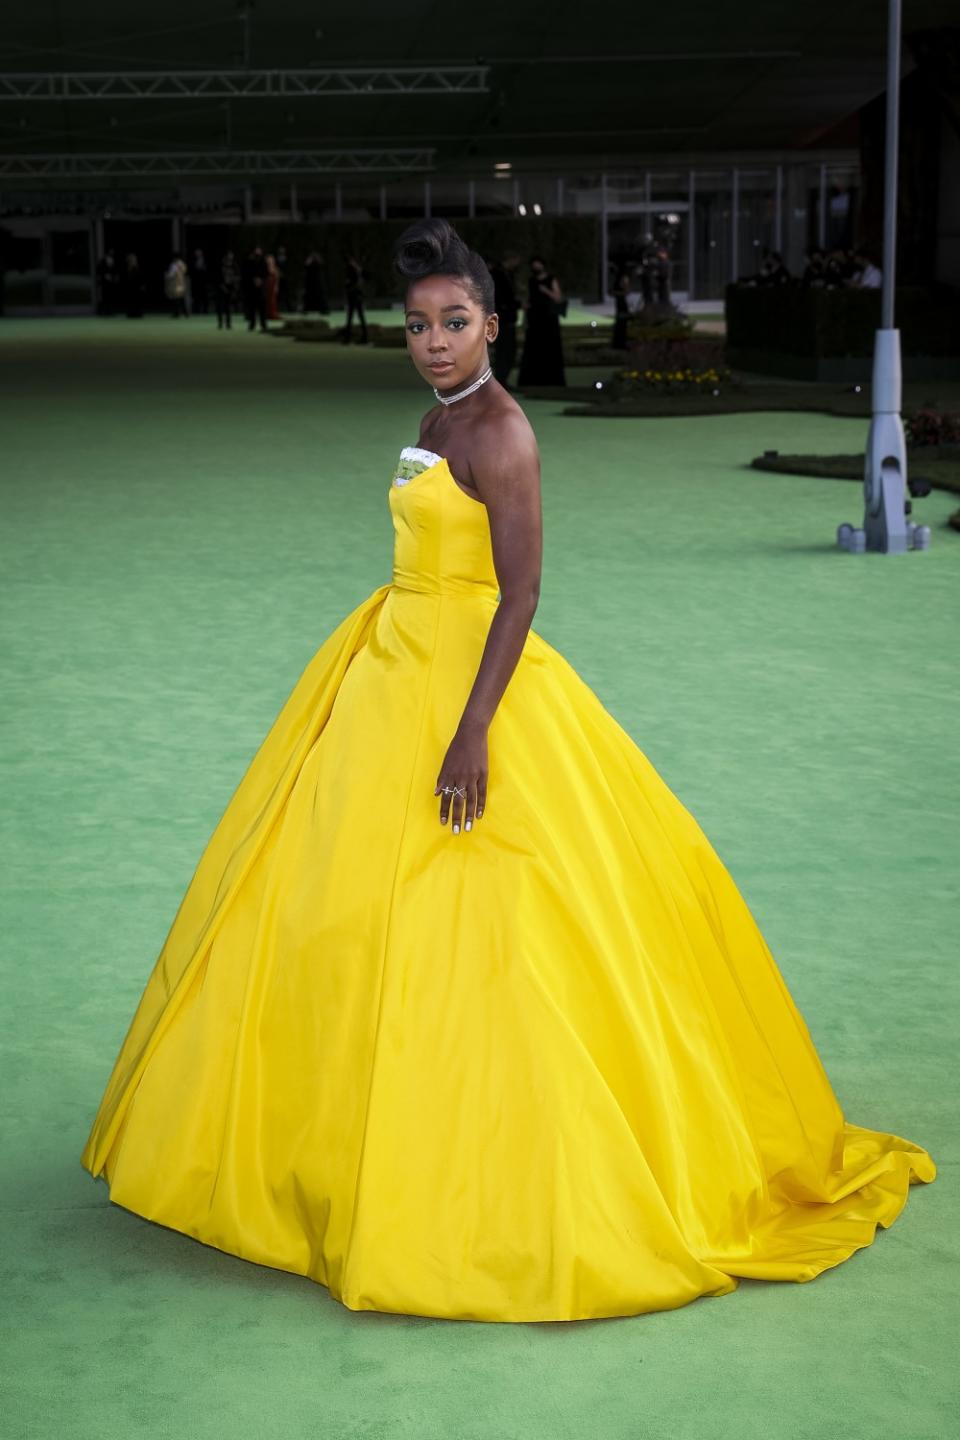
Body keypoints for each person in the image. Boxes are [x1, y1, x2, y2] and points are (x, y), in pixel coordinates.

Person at [78, 215, 935, 1324]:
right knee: (338, 896)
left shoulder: (504, 432)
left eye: (455, 322)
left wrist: (473, 728)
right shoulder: (440, 415)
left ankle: (485, 1162)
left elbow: (521, 592)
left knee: (500, 918)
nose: (434, 341)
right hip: (391, 663)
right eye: (418, 324)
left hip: (469, 683)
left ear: (493, 321)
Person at [517, 254, 566, 387]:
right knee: (534, 347)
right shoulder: (531, 281)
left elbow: (558, 298)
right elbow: (529, 298)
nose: (536, 267)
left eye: (538, 264)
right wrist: (525, 317)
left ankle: (551, 380)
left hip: (549, 318)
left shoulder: (551, 279)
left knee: (550, 347)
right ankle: (533, 380)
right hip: (535, 319)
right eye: (534, 265)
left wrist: (546, 291)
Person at [487, 250, 520, 388]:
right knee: (504, 349)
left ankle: (502, 379)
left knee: (508, 349)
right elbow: (500, 296)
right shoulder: (497, 274)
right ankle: (500, 380)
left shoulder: (506, 274)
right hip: (502, 317)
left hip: (506, 316)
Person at [342, 252, 368, 343]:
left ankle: (348, 338)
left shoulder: (352, 269)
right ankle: (364, 337)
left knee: (350, 317)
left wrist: (348, 286)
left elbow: (350, 282)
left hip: (354, 295)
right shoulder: (357, 269)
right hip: (357, 294)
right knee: (359, 316)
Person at [242, 245, 268, 332]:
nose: (258, 252)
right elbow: (246, 273)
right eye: (256, 251)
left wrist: (261, 280)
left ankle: (263, 324)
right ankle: (252, 324)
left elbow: (266, 273)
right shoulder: (249, 262)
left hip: (261, 288)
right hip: (251, 288)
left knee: (262, 307)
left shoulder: (264, 262)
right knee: (252, 307)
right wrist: (253, 280)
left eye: (259, 251)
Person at [216, 249, 241, 330]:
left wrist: (235, 288)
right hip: (221, 288)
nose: (230, 258)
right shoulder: (221, 265)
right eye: (229, 256)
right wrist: (222, 287)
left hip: (230, 288)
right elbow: (217, 278)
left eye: (231, 256)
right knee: (220, 307)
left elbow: (237, 277)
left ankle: (228, 323)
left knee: (228, 307)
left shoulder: (234, 265)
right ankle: (220, 323)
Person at [302, 248, 329, 315]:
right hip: (311, 285)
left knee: (320, 297)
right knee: (308, 297)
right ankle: (306, 310)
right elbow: (306, 266)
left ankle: (323, 310)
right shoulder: (310, 263)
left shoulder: (318, 264)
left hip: (317, 285)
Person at [612, 267, 632, 348]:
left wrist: (616, 293)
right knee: (620, 324)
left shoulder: (623, 279)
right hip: (620, 305)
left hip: (622, 305)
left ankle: (620, 343)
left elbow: (626, 292)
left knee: (621, 324)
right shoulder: (620, 279)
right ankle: (619, 343)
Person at [164, 253, 188, 318]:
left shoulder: (175, 265)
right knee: (181, 298)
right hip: (181, 282)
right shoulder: (182, 264)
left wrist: (167, 276)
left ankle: (177, 313)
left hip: (176, 283)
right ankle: (185, 313)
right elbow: (184, 271)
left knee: (176, 298)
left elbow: (172, 274)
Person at [123, 253, 144, 319]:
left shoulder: (136, 267)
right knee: (130, 300)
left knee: (136, 300)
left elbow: (140, 277)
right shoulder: (128, 267)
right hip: (130, 287)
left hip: (136, 287)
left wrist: (141, 285)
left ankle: (137, 313)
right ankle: (131, 313)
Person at [189, 248, 209, 314]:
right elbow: (191, 270)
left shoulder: (205, 260)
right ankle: (196, 310)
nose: (197, 254)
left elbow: (208, 270)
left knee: (204, 296)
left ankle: (205, 310)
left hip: (204, 281)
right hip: (196, 281)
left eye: (198, 252)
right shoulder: (193, 260)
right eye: (196, 252)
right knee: (196, 297)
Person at [264, 253, 281, 321]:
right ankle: (266, 314)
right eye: (269, 260)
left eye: (271, 260)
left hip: (272, 286)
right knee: (266, 300)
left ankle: (273, 314)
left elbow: (277, 279)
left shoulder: (275, 268)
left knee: (272, 300)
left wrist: (276, 286)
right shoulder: (264, 268)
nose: (270, 261)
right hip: (266, 285)